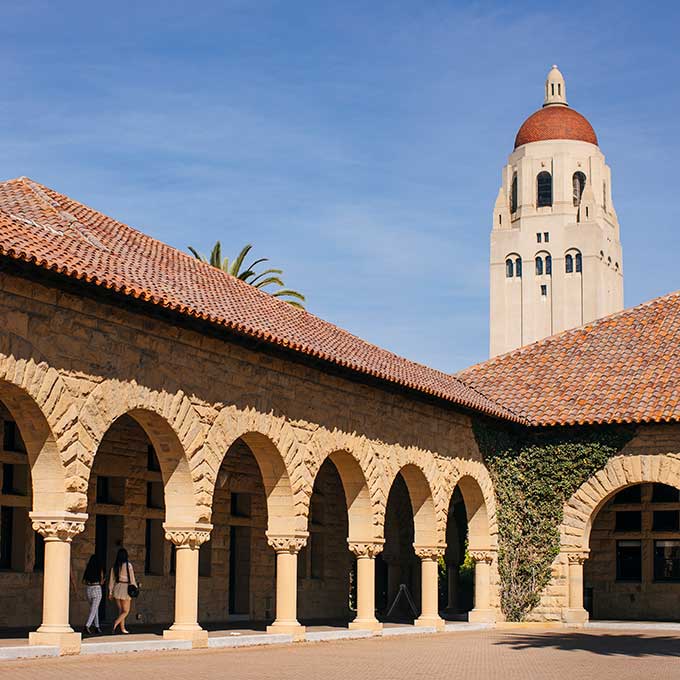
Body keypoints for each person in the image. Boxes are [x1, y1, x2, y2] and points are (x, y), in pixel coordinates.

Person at [108, 548, 137, 634]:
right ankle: (115, 623)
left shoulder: (115, 566)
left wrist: (110, 592)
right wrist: (134, 587)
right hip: (125, 588)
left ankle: (123, 628)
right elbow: (132, 578)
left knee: (121, 610)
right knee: (126, 611)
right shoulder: (128, 565)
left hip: (117, 588)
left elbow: (111, 580)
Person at [82, 554, 105, 635]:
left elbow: (84, 581)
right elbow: (101, 582)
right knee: (94, 609)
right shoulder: (100, 569)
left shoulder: (88, 569)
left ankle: (97, 627)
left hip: (89, 589)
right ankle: (87, 626)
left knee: (95, 609)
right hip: (97, 588)